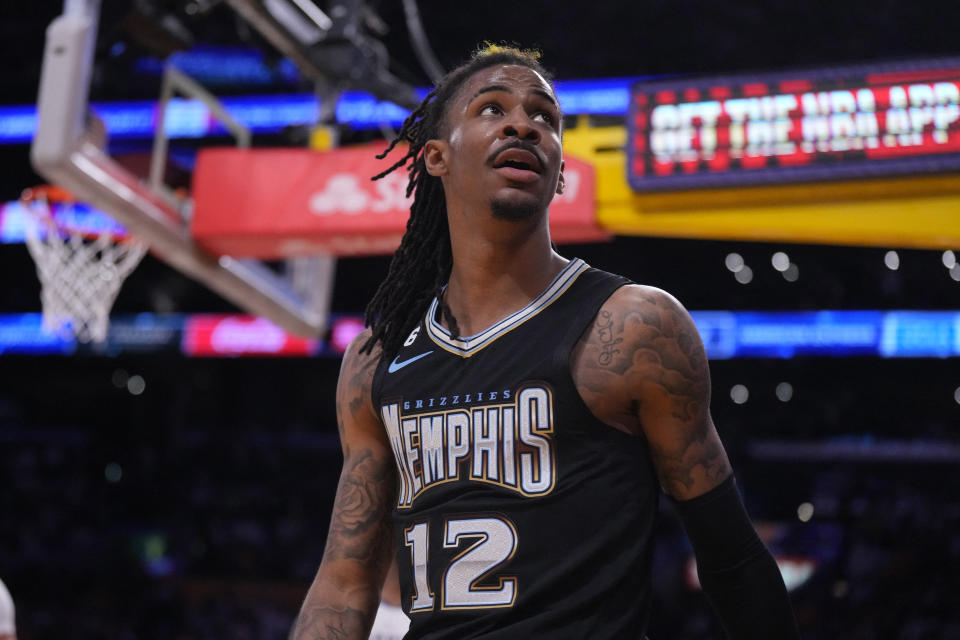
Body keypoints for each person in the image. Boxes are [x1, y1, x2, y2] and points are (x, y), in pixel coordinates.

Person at [290, 45, 800, 639]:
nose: (522, 123)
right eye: (490, 108)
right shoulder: (378, 358)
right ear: (435, 158)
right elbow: (345, 583)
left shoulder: (633, 327)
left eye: (545, 117)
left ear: (559, 171)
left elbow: (732, 559)